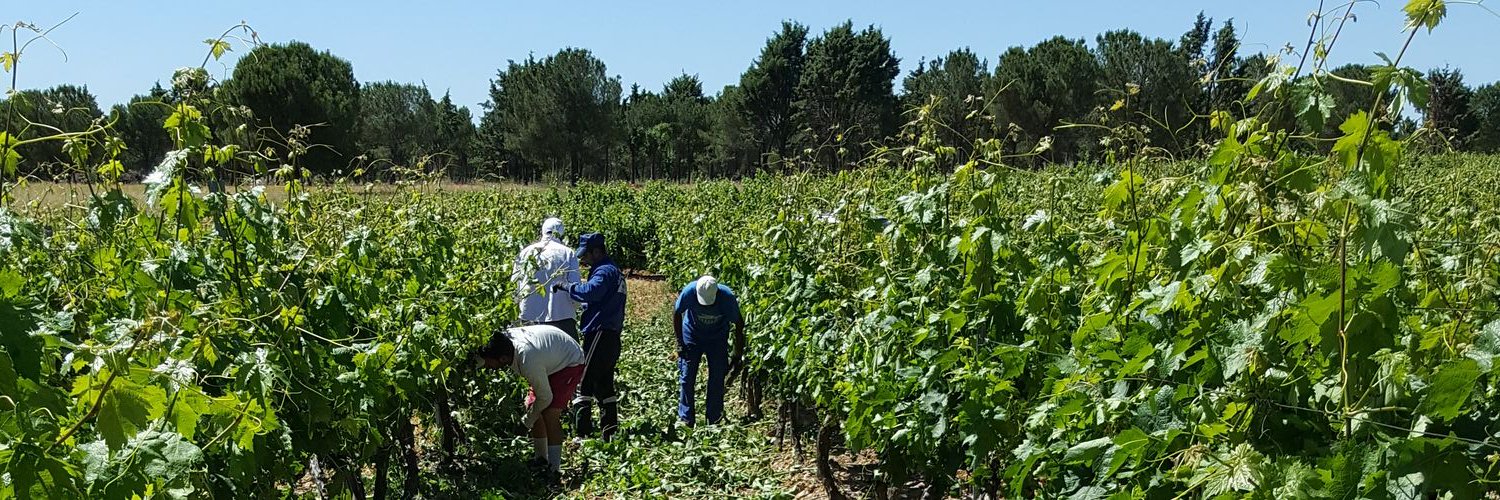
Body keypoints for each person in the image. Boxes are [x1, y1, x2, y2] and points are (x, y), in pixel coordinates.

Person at [474, 324, 586, 478]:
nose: (487, 367)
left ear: (503, 359)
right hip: (549, 357)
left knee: (549, 413)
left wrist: (525, 423)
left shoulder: (528, 359)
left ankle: (554, 470)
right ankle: (540, 459)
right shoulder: (501, 342)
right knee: (532, 407)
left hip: (569, 361)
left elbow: (546, 398)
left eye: (488, 363)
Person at [552, 232, 626, 439]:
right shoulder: (614, 271)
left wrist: (569, 287)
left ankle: (582, 433)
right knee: (604, 383)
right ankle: (609, 432)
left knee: (583, 381)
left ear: (597, 251)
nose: (583, 260)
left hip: (600, 331)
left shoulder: (604, 271)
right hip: (611, 334)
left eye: (586, 255)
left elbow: (592, 292)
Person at [673, 275, 745, 426]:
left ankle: (714, 419)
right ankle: (686, 419)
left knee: (717, 378)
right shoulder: (689, 292)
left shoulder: (726, 297)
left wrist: (737, 352)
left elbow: (739, 323)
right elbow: (677, 313)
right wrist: (680, 343)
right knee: (687, 376)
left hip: (717, 338)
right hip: (692, 335)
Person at [512, 218, 581, 337]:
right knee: (567, 354)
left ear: (543, 231)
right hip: (562, 317)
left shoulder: (525, 252)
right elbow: (574, 288)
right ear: (561, 232)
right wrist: (575, 308)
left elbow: (515, 284)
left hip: (530, 316)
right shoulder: (568, 253)